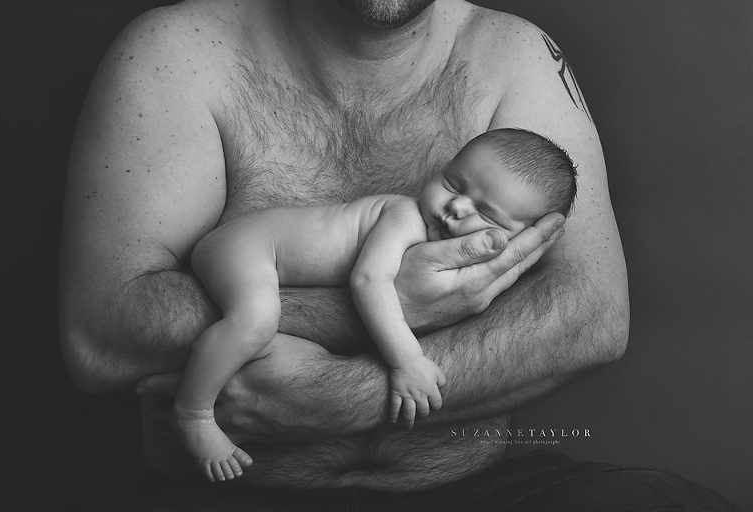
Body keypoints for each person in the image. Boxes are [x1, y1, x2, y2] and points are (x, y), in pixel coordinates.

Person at [58, 0, 738, 509]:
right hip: (234, 491)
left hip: (479, 486)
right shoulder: (177, 52)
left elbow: (591, 314)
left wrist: (346, 398)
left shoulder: (516, 56)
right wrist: (393, 308)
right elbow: (102, 334)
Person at [175, 128, 577, 482]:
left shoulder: (440, 245)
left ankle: (197, 372)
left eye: (486, 215)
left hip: (258, 256)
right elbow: (369, 281)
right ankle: (193, 414)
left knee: (267, 343)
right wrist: (407, 361)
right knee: (257, 320)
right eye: (453, 184)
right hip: (249, 247)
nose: (457, 208)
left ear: (522, 237)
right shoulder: (405, 218)